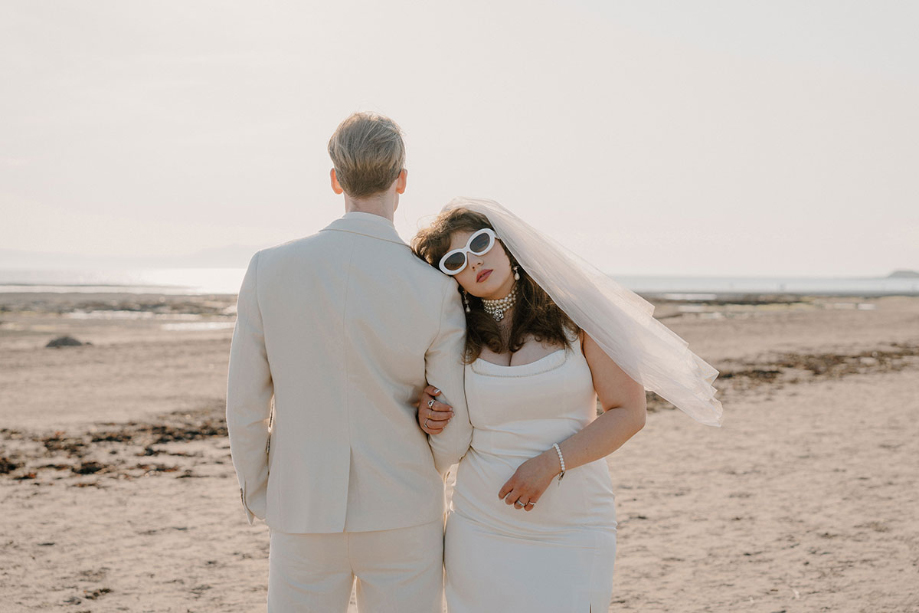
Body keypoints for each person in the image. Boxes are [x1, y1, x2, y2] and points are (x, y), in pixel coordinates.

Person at [411, 198, 723, 612]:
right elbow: (432, 401)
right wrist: (426, 409)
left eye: (481, 243)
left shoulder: (576, 316)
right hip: (480, 528)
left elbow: (629, 413)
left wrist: (548, 463)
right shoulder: (453, 335)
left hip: (572, 527)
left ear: (507, 244)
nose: (473, 262)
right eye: (455, 261)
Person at [226, 112, 472, 612]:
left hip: (301, 506)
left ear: (335, 179)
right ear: (401, 180)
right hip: (404, 505)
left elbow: (245, 406)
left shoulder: (268, 270)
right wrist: (430, 467)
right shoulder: (434, 286)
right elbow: (454, 422)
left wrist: (262, 493)